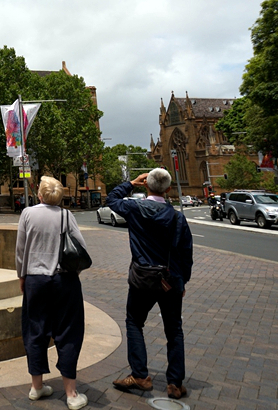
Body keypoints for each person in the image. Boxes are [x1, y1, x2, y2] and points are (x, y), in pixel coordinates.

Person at [106, 169, 193, 400]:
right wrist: (183, 280)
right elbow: (186, 254)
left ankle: (140, 375)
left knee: (134, 322)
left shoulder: (136, 209)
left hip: (142, 278)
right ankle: (175, 383)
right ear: (168, 189)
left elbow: (111, 199)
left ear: (147, 186)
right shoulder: (177, 217)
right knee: (174, 330)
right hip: (170, 279)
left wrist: (131, 183)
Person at [15, 176, 89, 409]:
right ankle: (71, 394)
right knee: (68, 332)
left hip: (35, 280)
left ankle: (37, 386)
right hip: (64, 280)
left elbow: (20, 249)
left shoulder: (28, 214)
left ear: (40, 194)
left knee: (35, 330)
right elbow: (81, 248)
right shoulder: (67, 216)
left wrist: (22, 275)